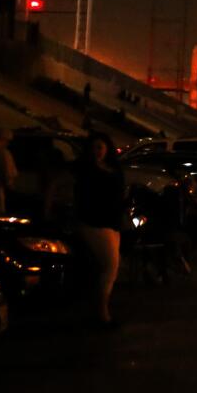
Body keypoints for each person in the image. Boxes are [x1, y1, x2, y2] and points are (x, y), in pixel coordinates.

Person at [74, 132, 124, 328]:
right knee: (110, 266)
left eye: (100, 147)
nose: (97, 152)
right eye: (94, 148)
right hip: (94, 221)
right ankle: (102, 314)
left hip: (112, 221)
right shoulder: (86, 169)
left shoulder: (114, 168)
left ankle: (99, 308)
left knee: (111, 266)